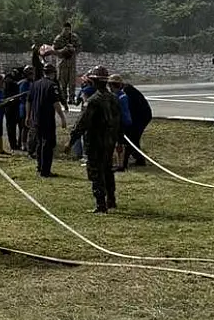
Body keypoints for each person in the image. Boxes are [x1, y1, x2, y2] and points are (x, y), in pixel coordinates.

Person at [65, 66, 120, 213]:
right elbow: (117, 122)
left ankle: (101, 204)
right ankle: (111, 200)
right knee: (108, 170)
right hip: (109, 142)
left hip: (96, 142)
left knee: (96, 172)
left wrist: (70, 142)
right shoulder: (114, 99)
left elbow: (82, 124)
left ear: (94, 82)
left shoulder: (93, 101)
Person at [27, 63, 67, 177]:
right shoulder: (52, 85)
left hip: (36, 119)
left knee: (39, 143)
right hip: (47, 119)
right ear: (53, 73)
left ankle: (39, 167)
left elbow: (28, 101)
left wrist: (28, 116)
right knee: (48, 144)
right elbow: (55, 103)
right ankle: (46, 171)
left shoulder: (35, 84)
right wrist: (62, 117)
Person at [120, 79, 152, 167]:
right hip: (140, 115)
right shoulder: (126, 90)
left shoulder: (126, 91)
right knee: (133, 138)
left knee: (132, 138)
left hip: (141, 117)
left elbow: (128, 108)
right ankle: (138, 159)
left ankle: (130, 160)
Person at [108, 75, 133, 172]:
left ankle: (120, 164)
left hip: (120, 124)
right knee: (118, 144)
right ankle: (118, 163)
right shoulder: (120, 95)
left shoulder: (119, 97)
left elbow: (120, 112)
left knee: (119, 144)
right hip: (121, 123)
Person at [52, 23, 81, 105]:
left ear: (70, 29)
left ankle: (71, 98)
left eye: (68, 29)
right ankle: (63, 97)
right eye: (65, 29)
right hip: (62, 63)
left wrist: (73, 49)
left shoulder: (74, 37)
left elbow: (79, 48)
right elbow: (54, 50)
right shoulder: (59, 38)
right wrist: (63, 50)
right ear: (63, 29)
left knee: (72, 82)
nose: (67, 31)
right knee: (62, 82)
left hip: (72, 63)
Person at [18, 66, 35, 157]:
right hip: (24, 106)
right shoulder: (24, 83)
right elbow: (24, 96)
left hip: (30, 106)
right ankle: (23, 144)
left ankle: (28, 143)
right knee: (25, 126)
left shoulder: (32, 82)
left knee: (29, 126)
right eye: (30, 74)